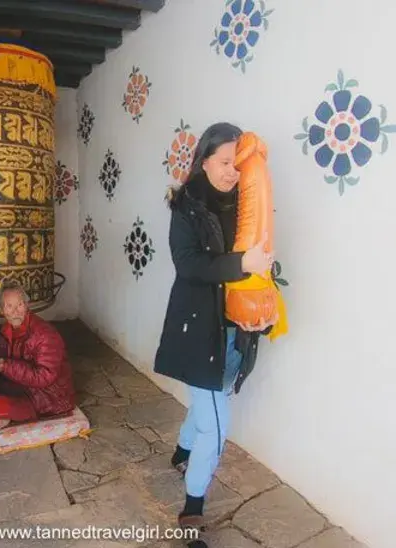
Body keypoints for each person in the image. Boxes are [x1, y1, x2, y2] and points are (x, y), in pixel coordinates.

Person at [154, 122, 277, 537]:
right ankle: (192, 507)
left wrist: (266, 306)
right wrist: (241, 264)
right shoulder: (185, 206)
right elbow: (188, 265)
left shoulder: (246, 204)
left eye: (237, 164)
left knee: (209, 399)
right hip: (198, 329)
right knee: (217, 424)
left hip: (235, 331)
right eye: (224, 162)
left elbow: (260, 268)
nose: (231, 172)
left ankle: (182, 451)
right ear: (204, 160)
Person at [0, 281, 76, 430]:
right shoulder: (7, 329)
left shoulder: (45, 334)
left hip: (46, 397)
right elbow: (1, 365)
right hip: (19, 385)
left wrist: (7, 367)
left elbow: (44, 377)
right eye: (9, 306)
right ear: (2, 310)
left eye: (20, 305)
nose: (15, 311)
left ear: (26, 306)